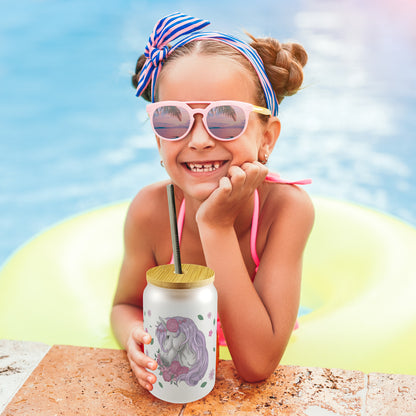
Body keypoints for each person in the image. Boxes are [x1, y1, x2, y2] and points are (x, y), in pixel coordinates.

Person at [111, 12, 314, 391]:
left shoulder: (285, 210)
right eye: (173, 119)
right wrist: (133, 334)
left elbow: (256, 365)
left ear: (267, 138)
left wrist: (215, 225)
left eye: (225, 118)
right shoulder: (151, 211)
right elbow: (124, 305)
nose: (200, 139)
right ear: (158, 139)